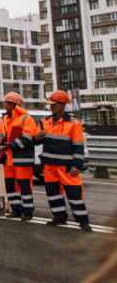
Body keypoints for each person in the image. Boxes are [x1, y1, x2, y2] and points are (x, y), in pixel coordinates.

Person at [33, 91, 91, 231]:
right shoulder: (44, 121)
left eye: (54, 104)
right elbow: (34, 141)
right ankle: (59, 217)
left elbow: (78, 145)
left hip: (66, 166)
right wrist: (37, 138)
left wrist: (77, 165)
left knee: (74, 193)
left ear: (62, 105)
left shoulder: (73, 123)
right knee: (53, 193)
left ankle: (82, 220)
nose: (51, 107)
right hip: (49, 165)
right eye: (51, 104)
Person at [0, 92, 38, 221]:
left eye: (6, 103)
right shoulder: (4, 119)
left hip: (21, 159)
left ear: (13, 105)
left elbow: (27, 138)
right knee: (11, 186)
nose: (4, 105)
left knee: (24, 186)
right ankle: (16, 209)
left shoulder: (26, 119)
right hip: (8, 159)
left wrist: (10, 145)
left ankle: (27, 212)